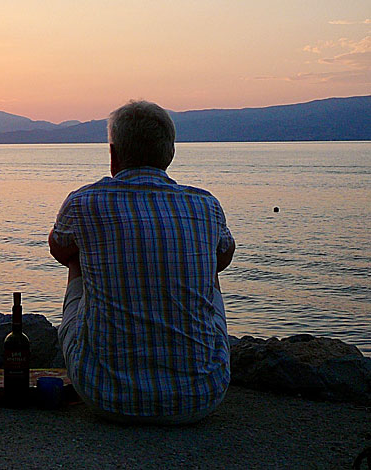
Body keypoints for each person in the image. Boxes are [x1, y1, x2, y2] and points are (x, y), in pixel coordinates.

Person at [49, 100, 235, 425]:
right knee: (210, 269)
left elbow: (59, 251)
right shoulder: (205, 204)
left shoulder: (84, 202)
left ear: (113, 154)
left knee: (78, 259)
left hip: (105, 395)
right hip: (201, 396)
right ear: (170, 153)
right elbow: (224, 258)